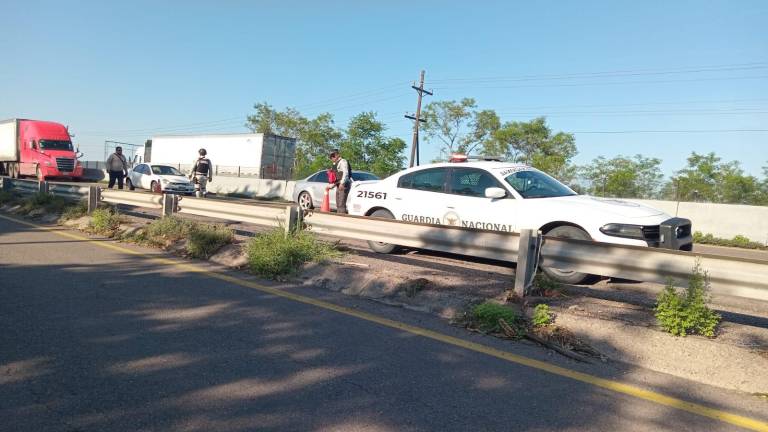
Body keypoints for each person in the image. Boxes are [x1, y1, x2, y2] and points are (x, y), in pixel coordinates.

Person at [326, 149, 351, 214]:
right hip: (339, 184)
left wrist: (342, 183)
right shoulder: (336, 163)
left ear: (337, 155)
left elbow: (345, 173)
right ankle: (338, 216)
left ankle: (341, 218)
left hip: (344, 185)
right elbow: (337, 176)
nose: (331, 158)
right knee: (338, 203)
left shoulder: (343, 161)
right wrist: (332, 185)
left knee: (341, 204)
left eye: (333, 156)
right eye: (331, 157)